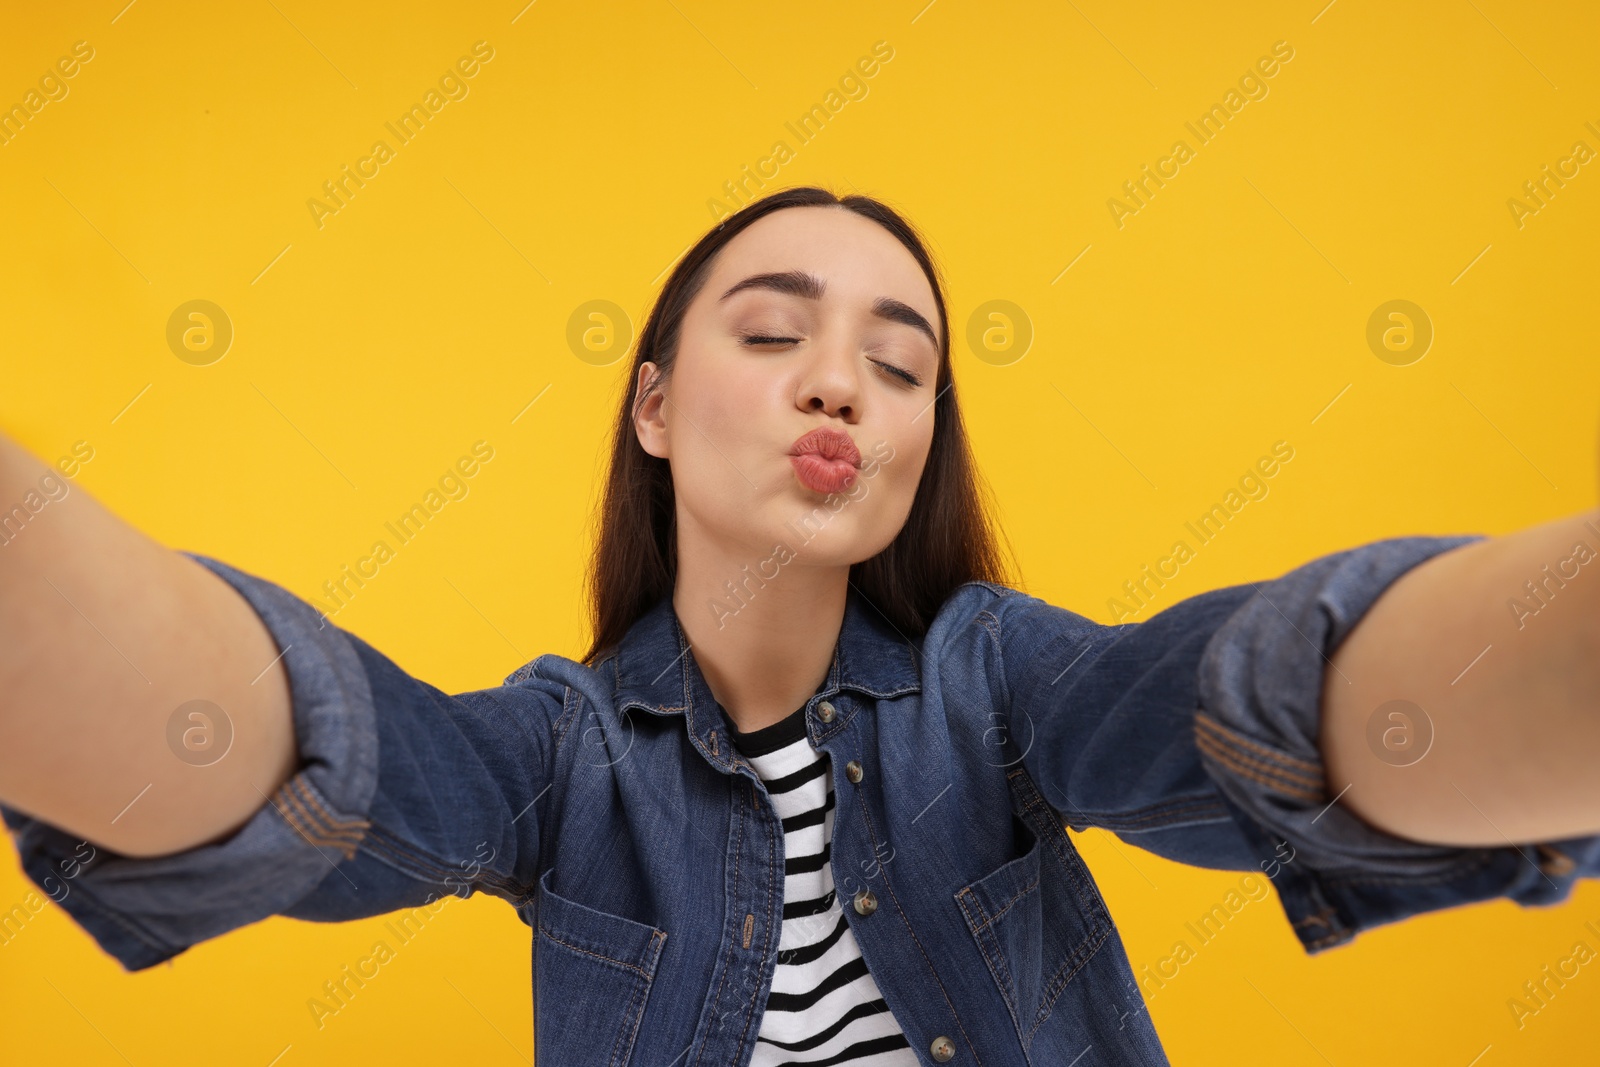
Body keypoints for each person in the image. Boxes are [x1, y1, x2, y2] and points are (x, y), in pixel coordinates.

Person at [2, 185, 1597, 1066]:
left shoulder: (1000, 685)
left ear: (918, 449)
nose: (843, 380)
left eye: (903, 368)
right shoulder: (565, 759)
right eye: (774, 333)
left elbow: (1243, 707)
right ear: (653, 406)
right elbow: (323, 759)